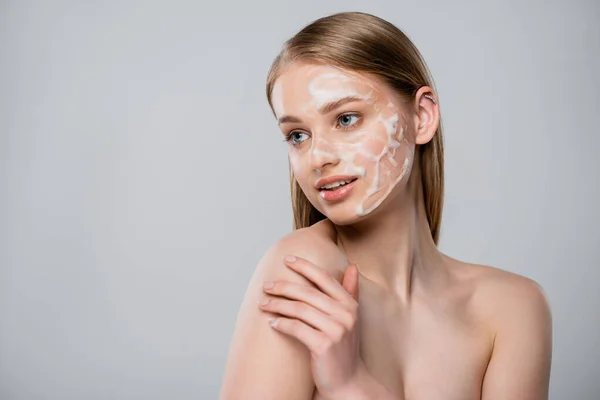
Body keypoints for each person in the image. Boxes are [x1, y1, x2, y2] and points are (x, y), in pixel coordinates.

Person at [219, 11, 552, 400]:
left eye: (346, 119)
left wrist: (350, 385)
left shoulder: (514, 309)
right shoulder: (305, 273)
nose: (317, 157)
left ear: (421, 117)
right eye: (297, 135)